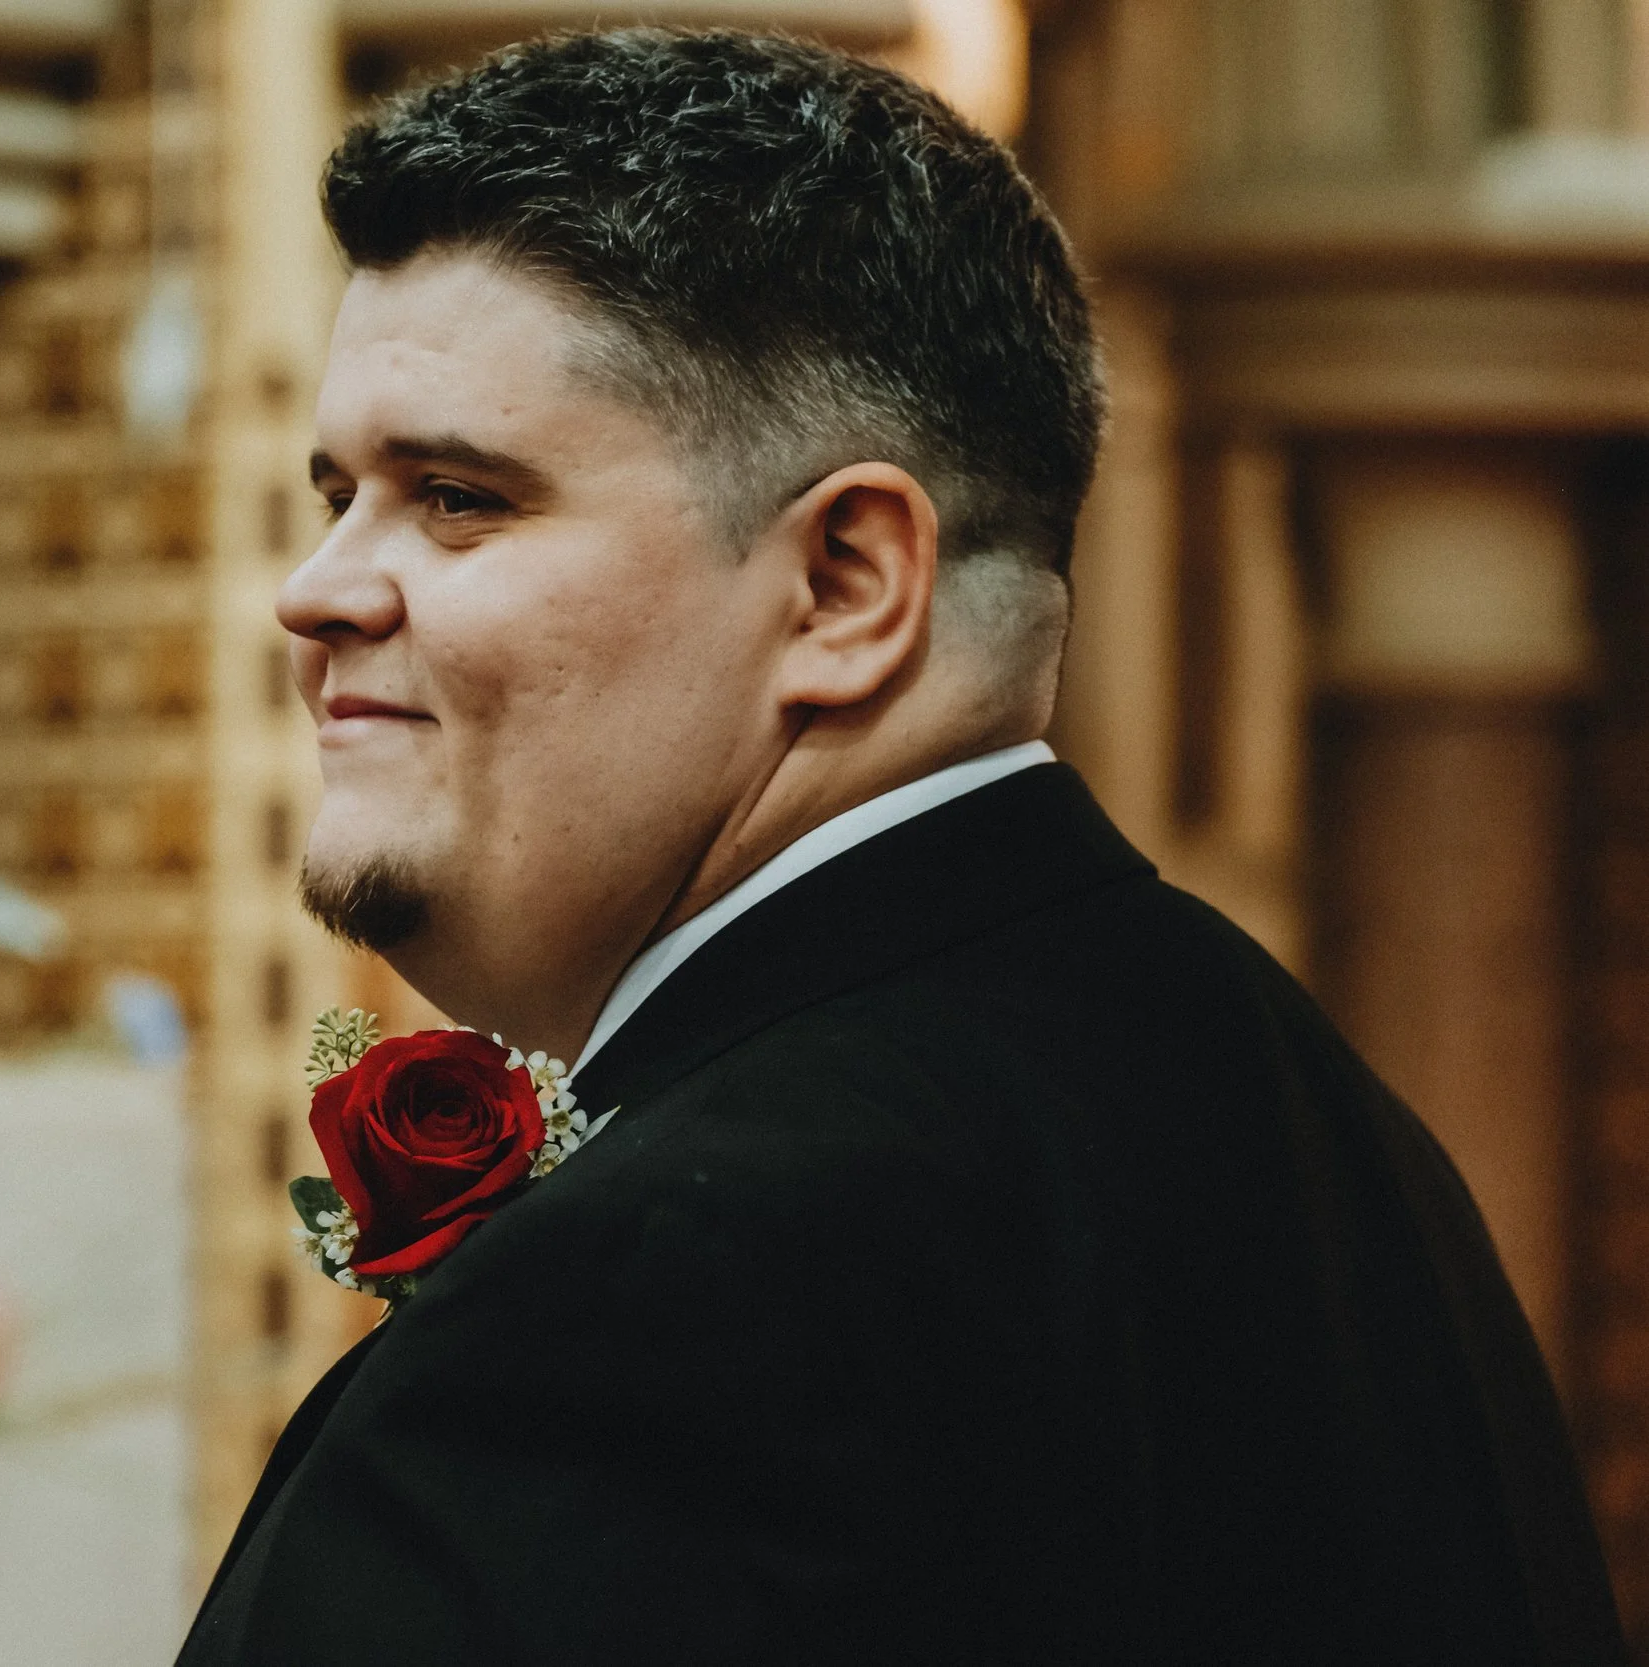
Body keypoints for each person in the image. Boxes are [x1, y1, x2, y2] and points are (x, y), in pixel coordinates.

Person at [176, 30, 1621, 1666]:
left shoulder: (684, 1278)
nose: (315, 591)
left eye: (457, 497)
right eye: (337, 498)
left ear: (846, 586)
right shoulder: (1323, 1133)